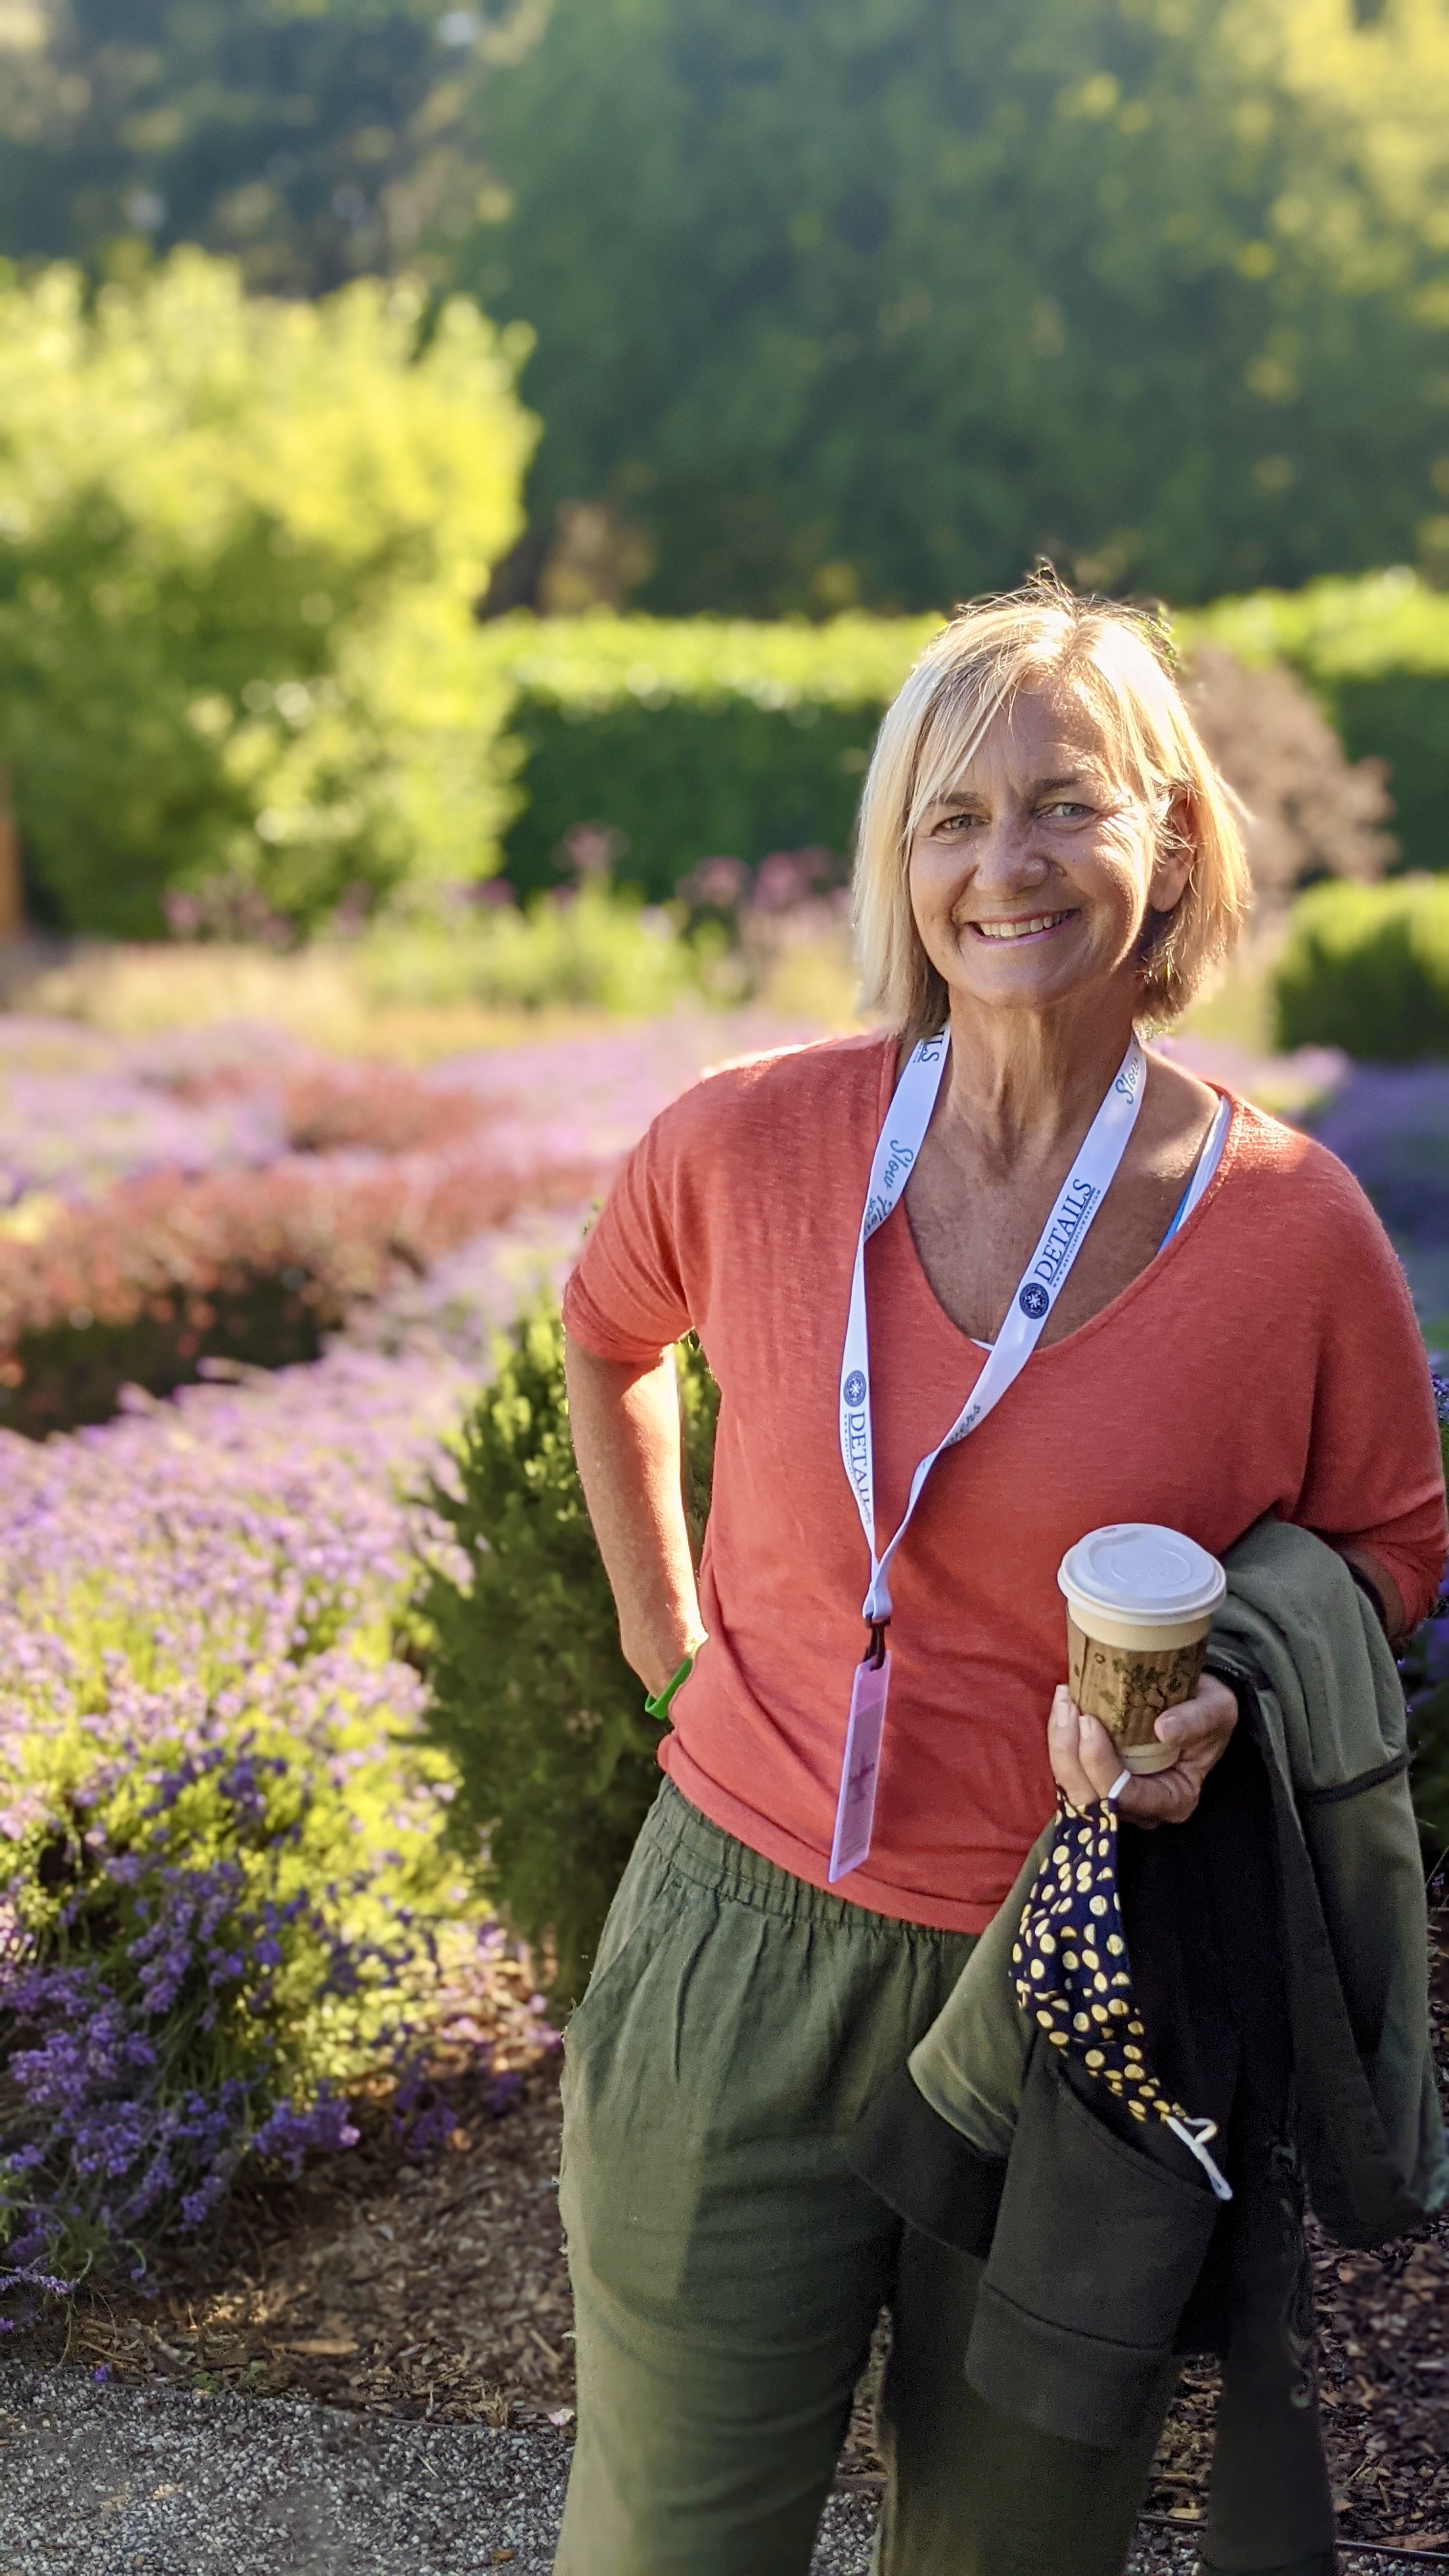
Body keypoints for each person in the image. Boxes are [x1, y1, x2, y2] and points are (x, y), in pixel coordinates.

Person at [553, 576, 1446, 2576]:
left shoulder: (1292, 1233)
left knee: (1014, 2555)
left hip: (1080, 1984)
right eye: (949, 818)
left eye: (1062, 803)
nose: (1004, 863)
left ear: (1171, 838)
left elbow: (1392, 1542)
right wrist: (659, 1632)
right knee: (667, 2542)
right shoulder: (748, 1143)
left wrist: (1238, 1679)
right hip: (736, 1948)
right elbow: (602, 1333)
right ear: (899, 864)